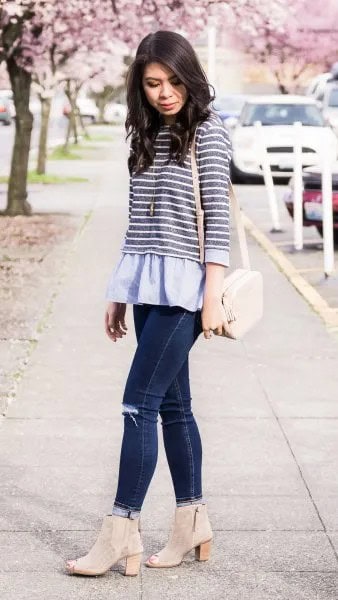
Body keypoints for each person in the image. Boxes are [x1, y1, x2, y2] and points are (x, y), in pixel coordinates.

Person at [66, 29, 231, 577]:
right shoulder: (144, 133)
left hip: (185, 291)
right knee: (173, 407)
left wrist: (212, 298)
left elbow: (219, 221)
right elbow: (137, 222)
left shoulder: (208, 132)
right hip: (146, 284)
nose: (165, 93)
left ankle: (121, 531)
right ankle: (192, 523)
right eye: (154, 83)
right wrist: (119, 292)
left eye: (175, 82)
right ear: (140, 85)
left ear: (191, 78)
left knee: (138, 404)